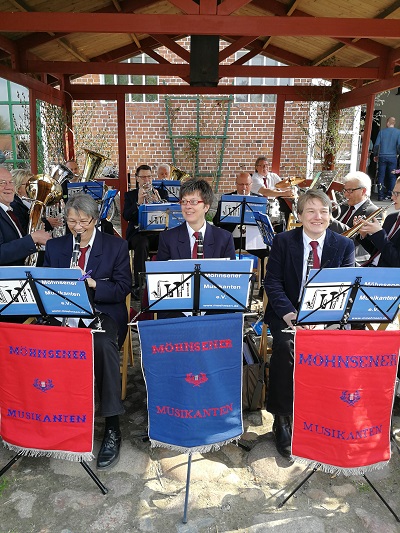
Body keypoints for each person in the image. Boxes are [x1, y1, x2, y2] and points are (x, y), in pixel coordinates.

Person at [263, 189, 355, 458]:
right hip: (288, 313)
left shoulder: (344, 245)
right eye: (311, 211)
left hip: (327, 316)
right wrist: (290, 314)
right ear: (299, 215)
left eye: (324, 211)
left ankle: (326, 414)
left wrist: (326, 321)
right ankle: (282, 418)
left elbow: (348, 287)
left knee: (343, 346)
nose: (318, 217)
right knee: (286, 348)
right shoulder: (282, 241)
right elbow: (273, 283)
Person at [43, 193, 131, 469]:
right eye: (71, 221)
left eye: (83, 221)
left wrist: (94, 285)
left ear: (94, 219)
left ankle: (112, 427)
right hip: (64, 315)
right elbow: (44, 283)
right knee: (38, 342)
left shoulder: (115, 246)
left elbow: (123, 288)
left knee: (103, 347)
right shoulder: (56, 247)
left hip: (101, 313)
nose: (77, 227)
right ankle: (52, 419)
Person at [157, 178, 236, 261]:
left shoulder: (224, 238)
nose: (187, 206)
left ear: (206, 207)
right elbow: (161, 272)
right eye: (184, 201)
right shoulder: (167, 238)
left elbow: (232, 273)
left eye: (193, 202)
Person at [213, 171, 269, 285]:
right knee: (217, 252)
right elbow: (216, 222)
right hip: (232, 238)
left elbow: (264, 223)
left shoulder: (259, 200)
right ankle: (223, 282)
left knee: (269, 254)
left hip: (252, 239)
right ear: (236, 184)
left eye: (247, 184)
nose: (244, 187)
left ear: (251, 184)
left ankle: (263, 285)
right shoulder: (227, 199)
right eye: (241, 184)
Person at [123, 164, 168, 300]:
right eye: (143, 177)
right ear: (137, 179)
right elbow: (126, 216)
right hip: (138, 233)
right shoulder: (130, 195)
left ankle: (164, 280)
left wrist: (158, 202)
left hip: (157, 232)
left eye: (149, 177)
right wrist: (138, 202)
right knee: (142, 243)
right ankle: (139, 284)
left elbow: (168, 214)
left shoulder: (161, 193)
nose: (146, 180)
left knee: (168, 241)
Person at [0, 166, 51, 267]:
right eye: (2, 183)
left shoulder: (9, 211)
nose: (9, 187)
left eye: (11, 182)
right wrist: (32, 238)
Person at [334, 171, 379, 264]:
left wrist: (330, 220)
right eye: (345, 190)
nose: (346, 194)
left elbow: (355, 239)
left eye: (350, 190)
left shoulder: (373, 211)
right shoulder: (343, 207)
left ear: (363, 191)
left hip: (355, 259)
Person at [358, 177, 400, 267]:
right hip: (371, 268)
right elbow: (378, 252)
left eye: (397, 194)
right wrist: (364, 235)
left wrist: (379, 234)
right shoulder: (391, 218)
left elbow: (397, 262)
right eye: (393, 193)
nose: (392, 197)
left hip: (388, 277)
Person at [250, 156, 294, 225]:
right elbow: (265, 192)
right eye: (262, 165)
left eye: (267, 165)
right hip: (259, 206)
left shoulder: (273, 176)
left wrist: (290, 186)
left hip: (273, 207)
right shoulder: (254, 178)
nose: (265, 167)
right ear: (256, 167)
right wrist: (284, 193)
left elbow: (283, 187)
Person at [373, 117, 400, 200]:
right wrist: (398, 154)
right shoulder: (398, 132)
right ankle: (392, 196)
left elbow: (377, 145)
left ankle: (380, 196)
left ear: (388, 122)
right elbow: (399, 145)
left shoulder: (382, 132)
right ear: (394, 123)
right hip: (392, 157)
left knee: (381, 176)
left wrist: (375, 155)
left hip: (382, 156)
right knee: (392, 176)